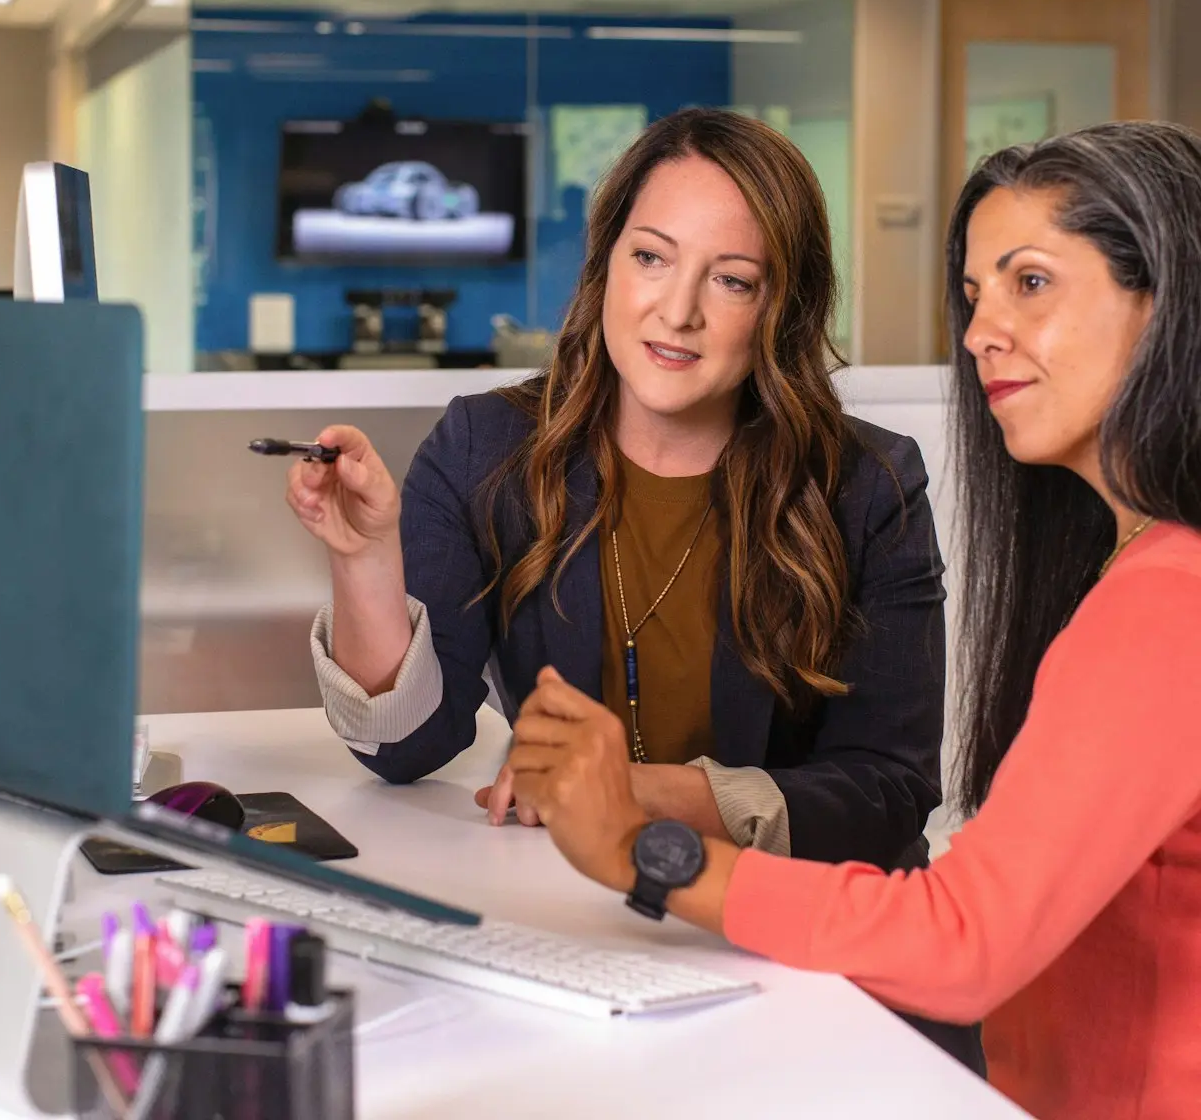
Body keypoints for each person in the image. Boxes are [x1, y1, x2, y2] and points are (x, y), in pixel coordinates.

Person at [507, 120, 1201, 1120]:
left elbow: (960, 942)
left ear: (1165, 301)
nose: (978, 333)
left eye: (1030, 283)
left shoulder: (1166, 600)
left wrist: (640, 850)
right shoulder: (1136, 564)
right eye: (971, 296)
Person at [288, 107, 980, 1068]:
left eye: (731, 281)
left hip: (806, 960)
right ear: (606, 263)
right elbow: (409, 747)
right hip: (588, 942)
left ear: (782, 307)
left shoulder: (868, 483)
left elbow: (890, 790)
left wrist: (645, 799)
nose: (678, 310)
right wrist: (364, 556)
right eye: (652, 258)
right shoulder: (486, 448)